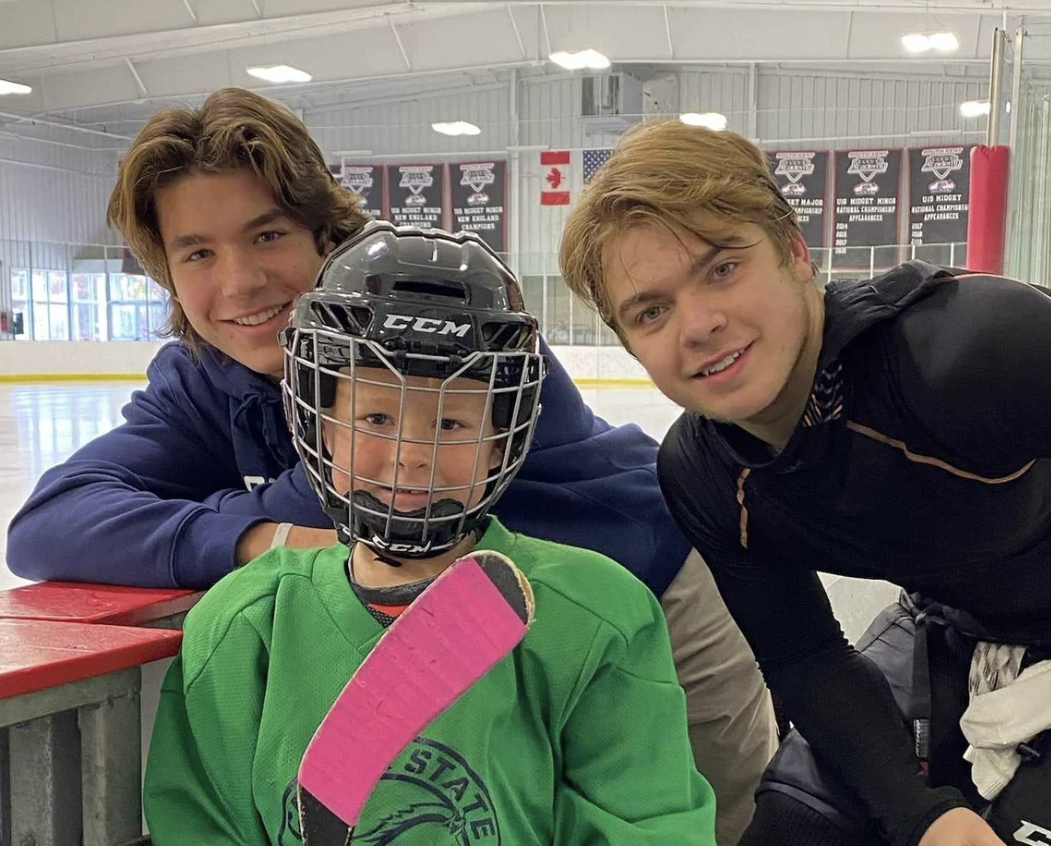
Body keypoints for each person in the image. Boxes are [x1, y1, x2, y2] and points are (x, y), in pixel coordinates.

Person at [5, 88, 776, 844]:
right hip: (454, 628)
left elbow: (353, 496)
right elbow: (49, 522)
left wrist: (265, 518)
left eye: (268, 235)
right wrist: (261, 538)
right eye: (198, 252)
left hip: (639, 594)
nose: (239, 281)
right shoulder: (206, 376)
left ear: (325, 232)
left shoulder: (445, 319)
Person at [557, 118, 1051, 846]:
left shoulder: (969, 353)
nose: (699, 324)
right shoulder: (704, 474)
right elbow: (805, 655)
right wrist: (922, 815)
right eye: (652, 311)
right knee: (793, 825)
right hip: (959, 625)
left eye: (722, 269)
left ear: (794, 250)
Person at [142, 220, 717, 846]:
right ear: (322, 427)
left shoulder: (598, 617)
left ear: (500, 441)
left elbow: (648, 825)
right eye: (375, 415)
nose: (411, 454)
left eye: (450, 423)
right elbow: (202, 826)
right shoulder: (242, 626)